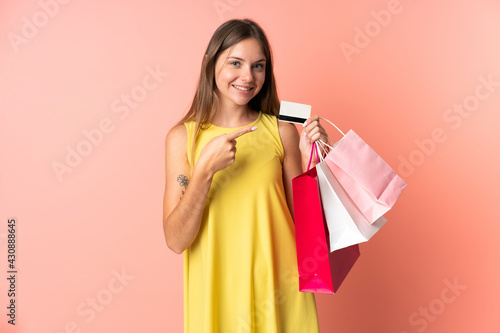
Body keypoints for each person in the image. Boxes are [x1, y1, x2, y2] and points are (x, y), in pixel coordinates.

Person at [163, 18, 329, 333]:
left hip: (279, 293)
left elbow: (307, 229)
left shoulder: (282, 131)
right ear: (210, 64)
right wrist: (204, 171)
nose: (247, 76)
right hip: (215, 293)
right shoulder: (183, 139)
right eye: (235, 63)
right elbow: (175, 240)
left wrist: (313, 161)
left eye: (258, 66)